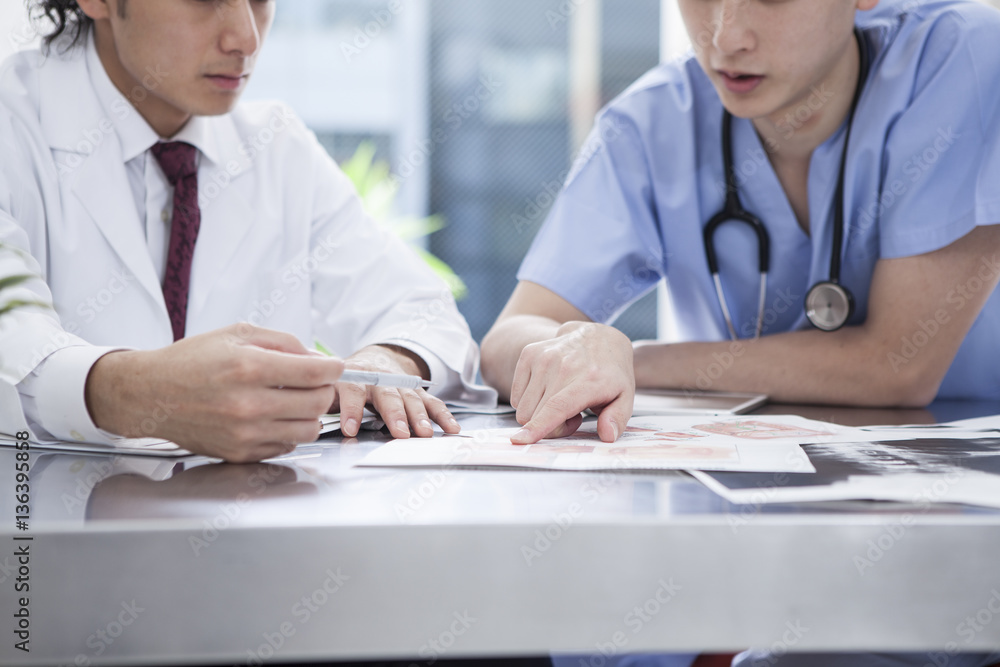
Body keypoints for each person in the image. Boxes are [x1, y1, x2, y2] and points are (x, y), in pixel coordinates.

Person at [482, 0, 1000, 665]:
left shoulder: (962, 61)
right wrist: (575, 348)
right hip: (744, 530)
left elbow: (895, 367)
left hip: (951, 535)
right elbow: (508, 336)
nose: (725, 36)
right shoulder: (654, 123)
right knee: (596, 643)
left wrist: (636, 360)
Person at [0, 0, 495, 463]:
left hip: (250, 536)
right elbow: (11, 336)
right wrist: (134, 392)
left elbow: (420, 308)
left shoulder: (275, 145)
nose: (246, 38)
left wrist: (388, 361)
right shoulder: (12, 127)